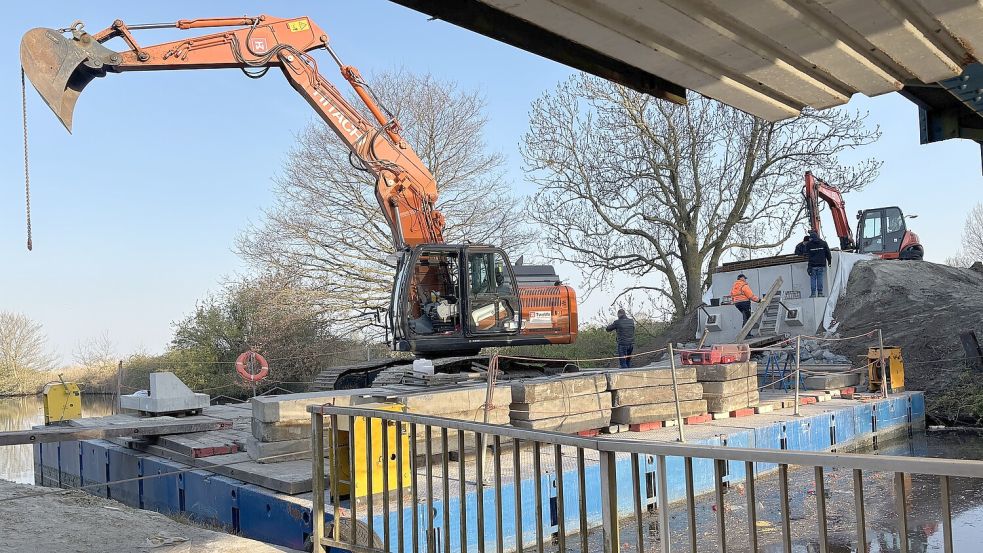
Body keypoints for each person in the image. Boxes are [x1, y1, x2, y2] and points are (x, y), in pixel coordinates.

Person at [805, 230, 832, 297]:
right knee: (820, 278)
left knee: (813, 279)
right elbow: (828, 253)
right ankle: (820, 293)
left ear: (811, 238)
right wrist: (829, 262)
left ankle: (813, 294)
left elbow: (806, 254)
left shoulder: (809, 244)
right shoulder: (823, 243)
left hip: (812, 265)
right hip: (821, 264)